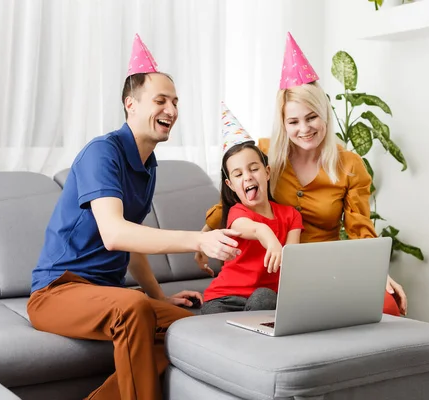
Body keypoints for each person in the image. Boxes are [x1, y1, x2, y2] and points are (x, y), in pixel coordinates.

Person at [27, 34, 241, 400]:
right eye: (161, 100)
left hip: (108, 294)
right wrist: (198, 238)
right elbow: (114, 234)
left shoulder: (147, 165)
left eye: (175, 102)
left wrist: (160, 296)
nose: (171, 110)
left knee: (194, 331)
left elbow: (132, 242)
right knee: (134, 308)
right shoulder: (102, 154)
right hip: (57, 292)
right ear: (131, 105)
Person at [196, 32, 407, 317]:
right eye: (293, 121)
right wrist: (203, 237)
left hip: (328, 268)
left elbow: (361, 230)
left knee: (387, 306)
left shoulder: (349, 165)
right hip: (278, 276)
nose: (304, 129)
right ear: (283, 123)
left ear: (325, 115)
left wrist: (379, 274)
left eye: (311, 118)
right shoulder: (266, 153)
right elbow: (235, 202)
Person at [200, 104, 304, 315]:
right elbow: (254, 229)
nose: (247, 176)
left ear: (266, 173)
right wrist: (269, 236)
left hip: (264, 300)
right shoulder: (237, 214)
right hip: (224, 298)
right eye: (238, 174)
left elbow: (293, 264)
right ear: (231, 186)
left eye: (253, 169)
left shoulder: (291, 216)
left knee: (264, 297)